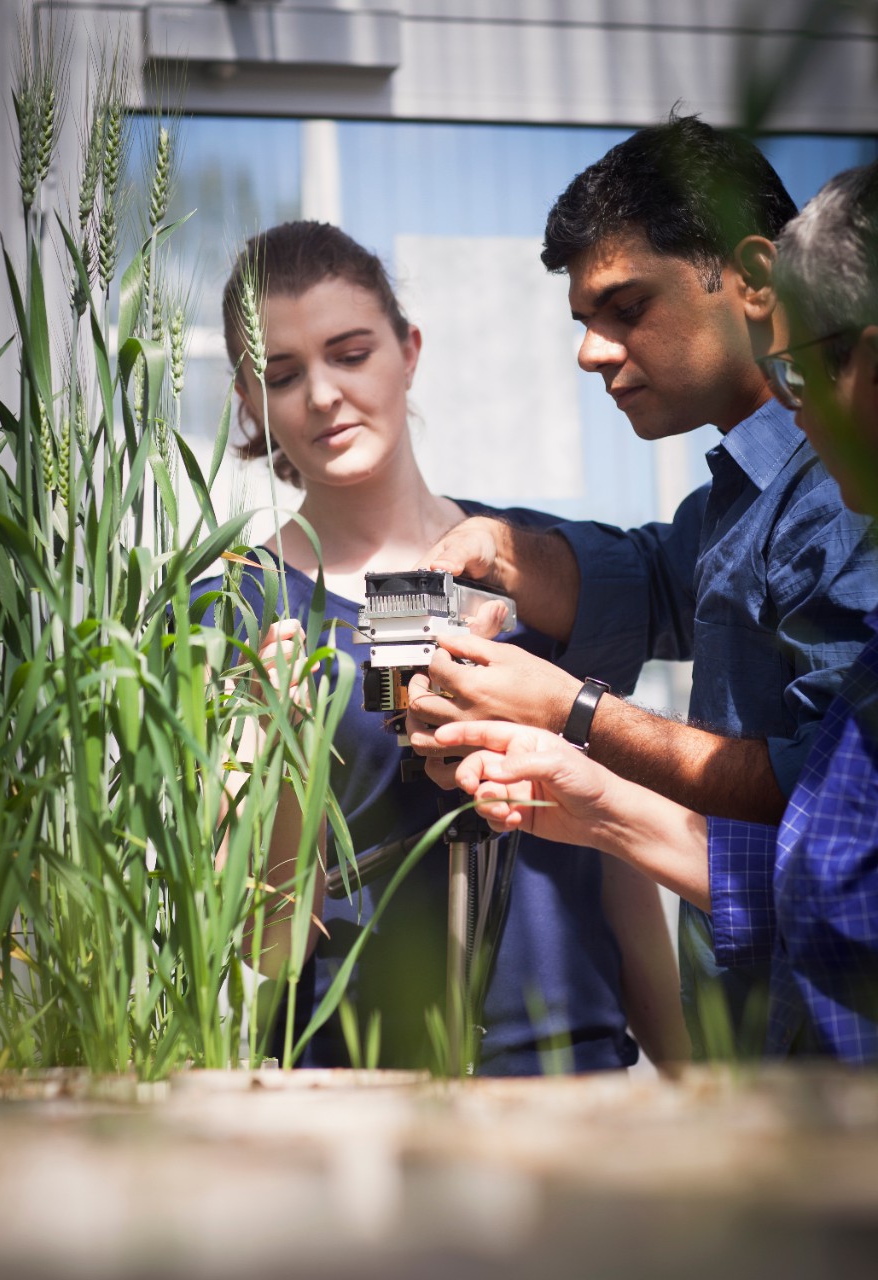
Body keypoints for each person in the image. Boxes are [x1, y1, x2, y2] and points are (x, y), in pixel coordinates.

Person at [405, 113, 878, 1058]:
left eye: (626, 309)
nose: (591, 352)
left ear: (750, 279)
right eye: (585, 321)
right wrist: (504, 551)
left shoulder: (840, 488)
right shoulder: (754, 487)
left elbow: (825, 807)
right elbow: (659, 580)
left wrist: (572, 713)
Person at [195, 220, 687, 1074]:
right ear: (248, 399)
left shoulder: (543, 568)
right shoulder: (235, 605)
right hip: (354, 1089)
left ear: (408, 349)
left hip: (573, 1071)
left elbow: (616, 852)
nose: (321, 396)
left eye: (350, 353)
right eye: (281, 375)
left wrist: (696, 1080)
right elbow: (261, 951)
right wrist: (284, 769)